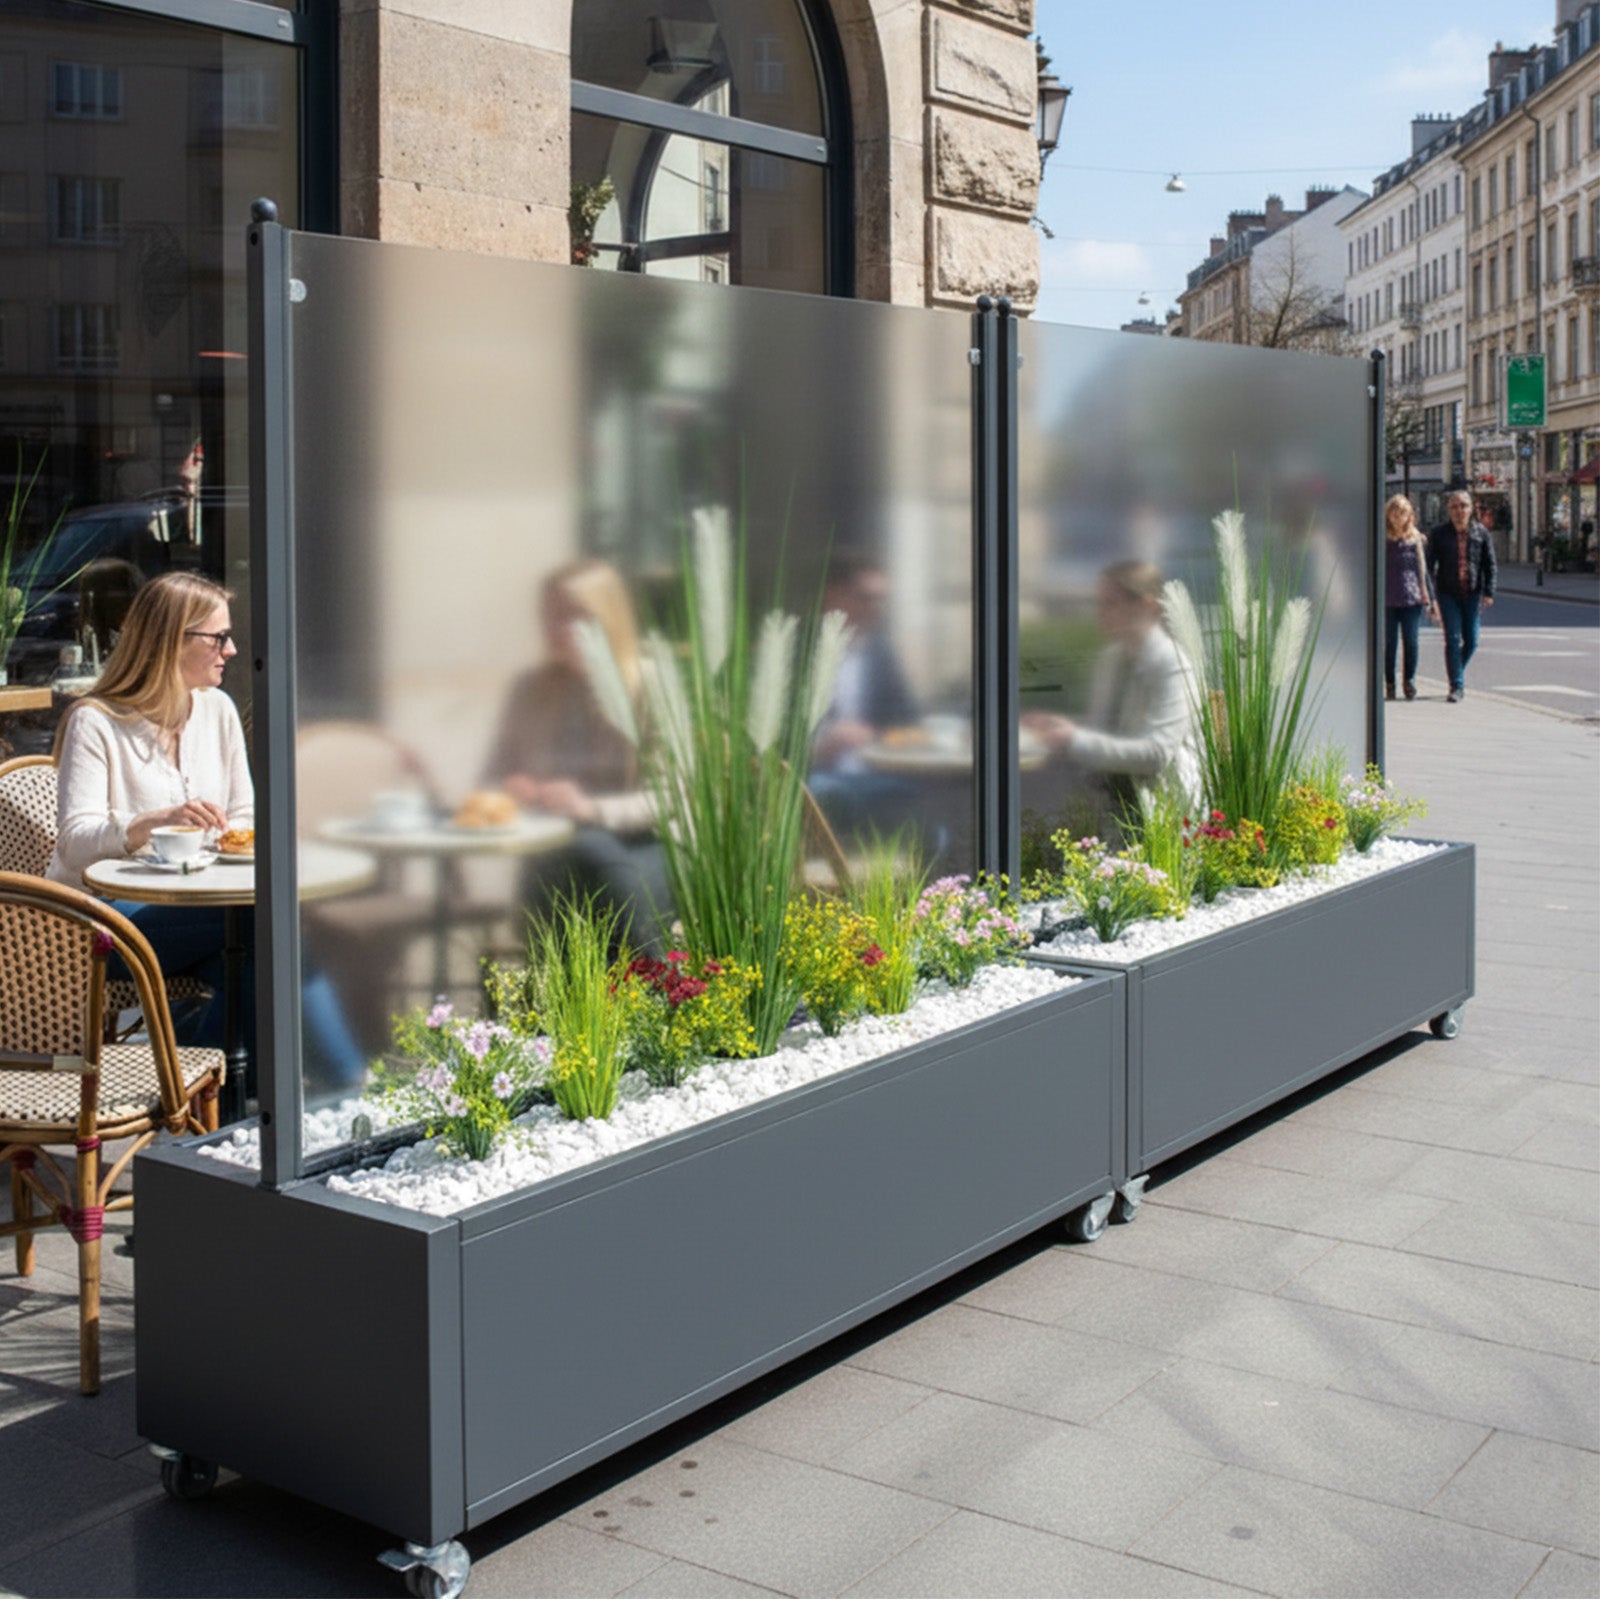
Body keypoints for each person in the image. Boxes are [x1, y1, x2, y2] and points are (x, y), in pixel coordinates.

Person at [48, 572, 365, 1082]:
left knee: (261, 969)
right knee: (273, 925)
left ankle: (228, 1111)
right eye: (219, 637)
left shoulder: (216, 711)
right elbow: (75, 844)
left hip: (195, 911)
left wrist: (225, 839)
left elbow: (243, 817)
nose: (233, 650)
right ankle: (345, 1088)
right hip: (98, 922)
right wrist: (146, 824)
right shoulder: (97, 722)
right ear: (173, 640)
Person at [483, 560, 669, 951]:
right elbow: (493, 775)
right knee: (564, 856)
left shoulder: (650, 685)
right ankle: (591, 1000)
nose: (555, 630)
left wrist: (591, 809)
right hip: (553, 847)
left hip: (644, 846)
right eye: (549, 616)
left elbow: (675, 798)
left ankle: (647, 984)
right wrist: (514, 788)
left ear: (609, 618)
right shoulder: (529, 689)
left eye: (573, 616)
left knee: (586, 850)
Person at [1022, 560, 1198, 840]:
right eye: (1100, 603)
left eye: (1110, 603)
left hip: (1164, 816)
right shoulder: (1111, 660)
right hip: (1109, 805)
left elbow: (1157, 754)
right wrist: (1060, 727)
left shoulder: (1172, 665)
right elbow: (1106, 731)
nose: (1101, 613)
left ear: (1146, 605)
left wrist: (1073, 739)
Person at [1426, 490, 1497, 703]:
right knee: (1453, 638)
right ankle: (1456, 686)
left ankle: (1456, 673)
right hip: (1447, 594)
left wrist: (1489, 591)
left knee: (1473, 641)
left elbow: (1489, 564)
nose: (1459, 511)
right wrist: (1431, 598)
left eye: (1463, 506)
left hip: (1472, 593)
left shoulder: (1481, 532)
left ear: (1471, 508)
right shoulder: (1439, 534)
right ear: (1449, 510)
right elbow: (1428, 567)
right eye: (1455, 507)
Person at [1383, 494, 1437, 702]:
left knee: (1411, 642)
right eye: (1394, 513)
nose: (1398, 517)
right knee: (1390, 643)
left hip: (1412, 596)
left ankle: (1409, 681)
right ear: (1388, 515)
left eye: (1403, 513)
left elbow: (1423, 570)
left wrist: (1429, 597)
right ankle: (1390, 683)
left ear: (1409, 516)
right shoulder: (1382, 538)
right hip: (1388, 597)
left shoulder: (1416, 539)